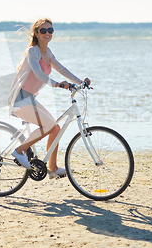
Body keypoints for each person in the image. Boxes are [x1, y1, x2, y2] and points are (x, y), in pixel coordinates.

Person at [7, 18, 91, 177]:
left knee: (55, 128)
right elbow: (38, 73)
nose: (47, 33)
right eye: (43, 30)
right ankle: (19, 151)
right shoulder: (33, 51)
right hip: (19, 99)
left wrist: (81, 82)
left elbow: (63, 70)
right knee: (49, 124)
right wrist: (57, 84)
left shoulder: (48, 53)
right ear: (36, 34)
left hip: (30, 98)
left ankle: (52, 168)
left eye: (50, 30)